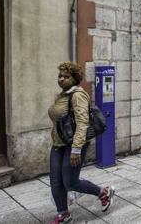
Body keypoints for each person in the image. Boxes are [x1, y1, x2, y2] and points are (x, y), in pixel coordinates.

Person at [48, 62, 114, 223]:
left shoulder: (77, 95)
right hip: (58, 145)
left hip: (74, 145)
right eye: (60, 76)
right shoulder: (62, 95)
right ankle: (63, 214)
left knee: (70, 182)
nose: (61, 79)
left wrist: (76, 149)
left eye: (66, 76)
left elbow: (82, 122)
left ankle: (103, 192)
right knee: (56, 181)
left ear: (75, 78)